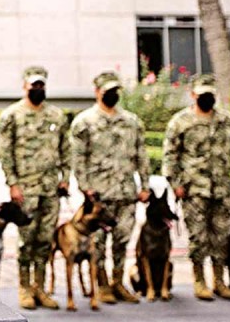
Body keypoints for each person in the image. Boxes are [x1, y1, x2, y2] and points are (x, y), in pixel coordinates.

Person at [162, 73, 230, 301]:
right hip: (194, 191)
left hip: (221, 190)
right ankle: (199, 280)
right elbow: (170, 156)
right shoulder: (180, 122)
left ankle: (220, 280)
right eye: (202, 94)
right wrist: (175, 184)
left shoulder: (227, 120)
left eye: (210, 95)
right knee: (198, 237)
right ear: (193, 95)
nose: (207, 98)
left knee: (221, 236)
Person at [70, 70, 150, 305]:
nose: (113, 95)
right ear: (97, 92)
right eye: (108, 91)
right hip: (99, 196)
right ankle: (102, 284)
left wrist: (145, 185)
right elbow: (78, 159)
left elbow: (141, 156)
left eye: (116, 91)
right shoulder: (84, 122)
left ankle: (118, 282)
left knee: (122, 240)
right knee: (99, 244)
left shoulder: (131, 122)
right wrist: (85, 188)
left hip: (126, 193)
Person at [0, 65, 69, 310]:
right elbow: (5, 152)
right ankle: (24, 288)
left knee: (45, 240)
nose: (37, 89)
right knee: (26, 241)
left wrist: (65, 177)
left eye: (41, 85)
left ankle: (40, 288)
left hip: (50, 189)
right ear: (24, 86)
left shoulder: (56, 116)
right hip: (26, 190)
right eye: (33, 85)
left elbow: (65, 149)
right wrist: (13, 183)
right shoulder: (12, 115)